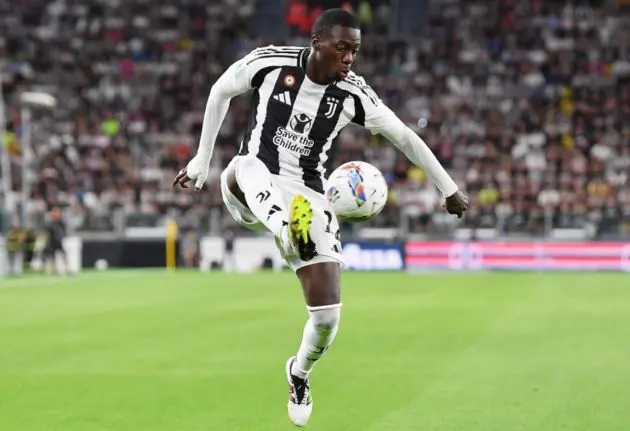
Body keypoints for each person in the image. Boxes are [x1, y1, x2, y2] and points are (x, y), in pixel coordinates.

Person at [174, 8, 468, 426]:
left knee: (328, 317)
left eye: (355, 50)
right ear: (317, 42)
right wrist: (202, 161)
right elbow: (220, 90)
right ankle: (286, 229)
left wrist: (449, 188)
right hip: (250, 180)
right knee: (246, 167)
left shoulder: (354, 94)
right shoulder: (269, 63)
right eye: (342, 47)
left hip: (309, 197)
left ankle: (299, 372)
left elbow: (404, 137)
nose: (349, 58)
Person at [43, 207, 69, 275]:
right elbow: (46, 233)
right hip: (51, 242)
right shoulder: (49, 224)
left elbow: (64, 232)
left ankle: (67, 270)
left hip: (59, 241)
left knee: (63, 256)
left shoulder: (61, 223)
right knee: (52, 257)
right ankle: (54, 271)